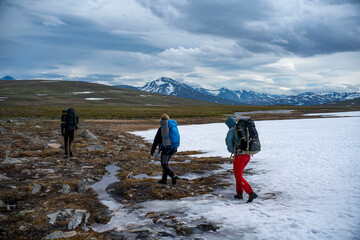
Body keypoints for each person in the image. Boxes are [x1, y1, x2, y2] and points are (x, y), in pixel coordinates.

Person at [225, 117, 258, 203]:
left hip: (239, 156)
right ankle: (239, 194)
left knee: (238, 176)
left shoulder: (232, 130)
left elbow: (228, 141)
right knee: (238, 175)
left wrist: (232, 150)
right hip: (247, 155)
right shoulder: (243, 129)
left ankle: (250, 192)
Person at [151, 114, 179, 185]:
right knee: (165, 164)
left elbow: (156, 140)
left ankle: (172, 175)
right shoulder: (172, 127)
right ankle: (164, 180)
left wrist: (153, 149)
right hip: (173, 148)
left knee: (164, 164)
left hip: (166, 148)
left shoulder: (162, 129)